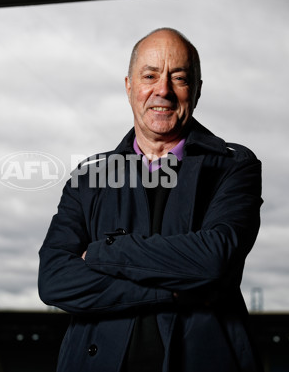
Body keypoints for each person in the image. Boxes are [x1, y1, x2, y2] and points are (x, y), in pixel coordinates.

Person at [38, 27, 263, 372]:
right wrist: (170, 292)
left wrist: (101, 252)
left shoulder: (233, 167)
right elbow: (54, 279)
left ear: (197, 90)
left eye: (179, 78)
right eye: (150, 76)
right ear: (129, 87)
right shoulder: (89, 177)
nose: (163, 90)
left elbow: (213, 261)